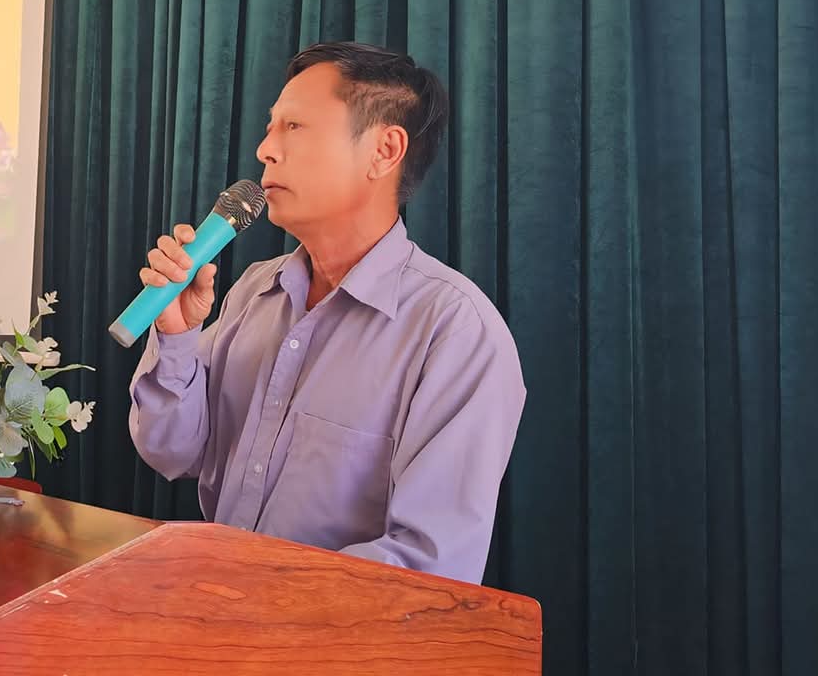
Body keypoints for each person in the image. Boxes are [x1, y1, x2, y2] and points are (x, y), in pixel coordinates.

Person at [127, 41, 525, 584]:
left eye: (294, 127)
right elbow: (171, 452)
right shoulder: (254, 291)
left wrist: (256, 602)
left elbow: (427, 566)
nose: (265, 149)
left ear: (384, 150)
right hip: (216, 607)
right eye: (270, 128)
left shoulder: (456, 332)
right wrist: (177, 335)